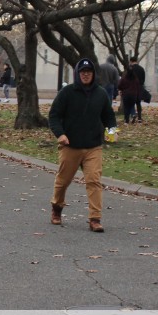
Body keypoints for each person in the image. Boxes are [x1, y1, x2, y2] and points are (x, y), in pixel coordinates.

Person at [48, 58, 117, 232]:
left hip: (93, 146)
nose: (86, 75)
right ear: (77, 74)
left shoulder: (101, 93)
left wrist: (111, 131)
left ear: (93, 74)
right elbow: (54, 115)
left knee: (94, 181)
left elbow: (109, 116)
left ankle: (95, 219)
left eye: (89, 72)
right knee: (63, 181)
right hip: (70, 146)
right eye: (83, 72)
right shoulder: (67, 92)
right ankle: (57, 208)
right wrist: (60, 134)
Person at [129, 56, 146, 122]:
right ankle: (139, 118)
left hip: (131, 88)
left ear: (131, 61)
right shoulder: (141, 69)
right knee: (138, 103)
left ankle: (133, 114)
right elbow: (143, 79)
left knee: (131, 103)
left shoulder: (130, 69)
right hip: (139, 88)